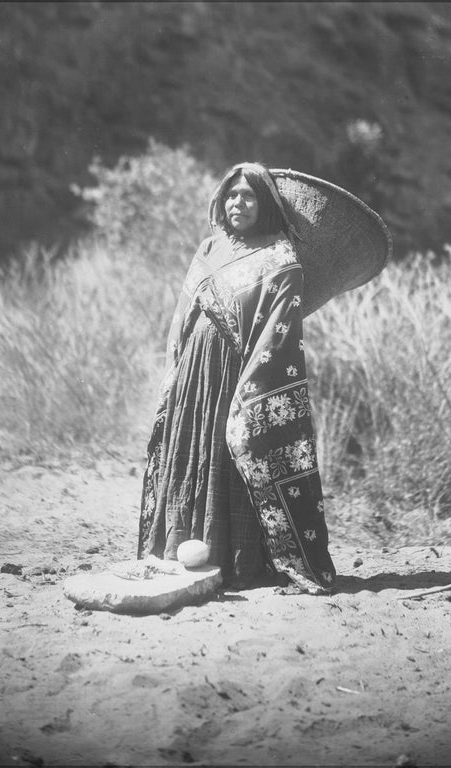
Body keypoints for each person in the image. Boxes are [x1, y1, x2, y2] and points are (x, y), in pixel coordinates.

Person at [137, 162, 336, 594]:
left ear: (264, 203)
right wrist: (175, 365)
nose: (237, 203)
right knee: (190, 450)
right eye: (230, 195)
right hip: (195, 371)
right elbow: (183, 316)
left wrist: (250, 386)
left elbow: (278, 333)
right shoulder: (209, 249)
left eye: (247, 195)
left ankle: (233, 559)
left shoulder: (282, 260)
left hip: (238, 373)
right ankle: (176, 550)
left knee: (228, 453)